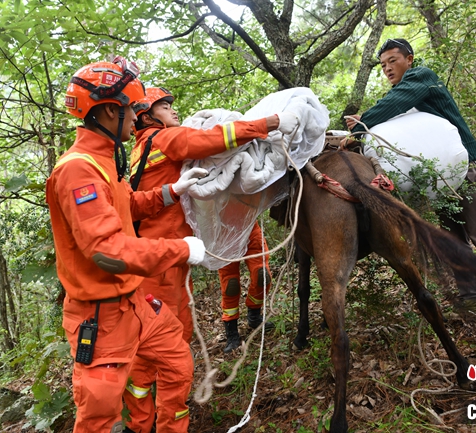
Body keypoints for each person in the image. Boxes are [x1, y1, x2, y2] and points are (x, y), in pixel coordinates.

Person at [46, 59, 209, 433]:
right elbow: (108, 252)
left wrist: (171, 192)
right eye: (131, 111)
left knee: (176, 360)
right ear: (107, 111)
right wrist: (181, 249)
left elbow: (126, 205)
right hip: (100, 317)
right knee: (99, 416)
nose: (137, 120)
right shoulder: (78, 169)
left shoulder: (105, 159)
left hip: (134, 303)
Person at [124, 87, 298, 432]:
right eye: (165, 106)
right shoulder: (163, 140)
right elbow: (210, 140)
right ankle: (155, 421)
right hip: (160, 261)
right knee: (166, 343)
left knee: (161, 339)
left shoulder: (140, 148)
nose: (173, 111)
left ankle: (145, 418)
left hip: (161, 257)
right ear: (145, 114)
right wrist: (269, 123)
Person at [344, 38, 476, 331]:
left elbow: (392, 105)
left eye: (392, 61)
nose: (387, 68)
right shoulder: (406, 94)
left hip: (468, 169)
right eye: (383, 65)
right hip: (443, 174)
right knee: (454, 240)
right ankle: (470, 297)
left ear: (409, 59)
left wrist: (362, 124)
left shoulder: (421, 77)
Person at [218, 222, 275, 353]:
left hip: (249, 227)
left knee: (262, 276)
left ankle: (254, 317)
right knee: (230, 285)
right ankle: (231, 332)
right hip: (223, 234)